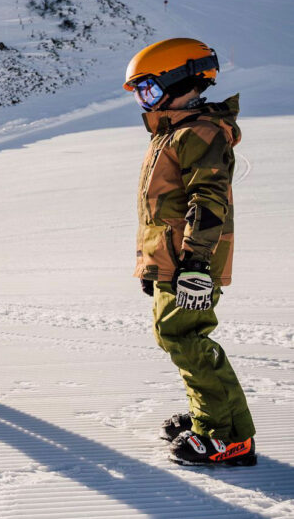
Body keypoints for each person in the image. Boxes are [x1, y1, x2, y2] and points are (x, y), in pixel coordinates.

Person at [124, 37, 256, 466]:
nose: (143, 100)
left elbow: (208, 198)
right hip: (173, 258)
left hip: (191, 259)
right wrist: (153, 266)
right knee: (176, 336)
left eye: (147, 88)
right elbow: (163, 208)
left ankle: (224, 436)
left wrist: (196, 263)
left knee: (184, 337)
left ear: (176, 78)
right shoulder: (173, 131)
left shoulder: (197, 132)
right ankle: (212, 416)